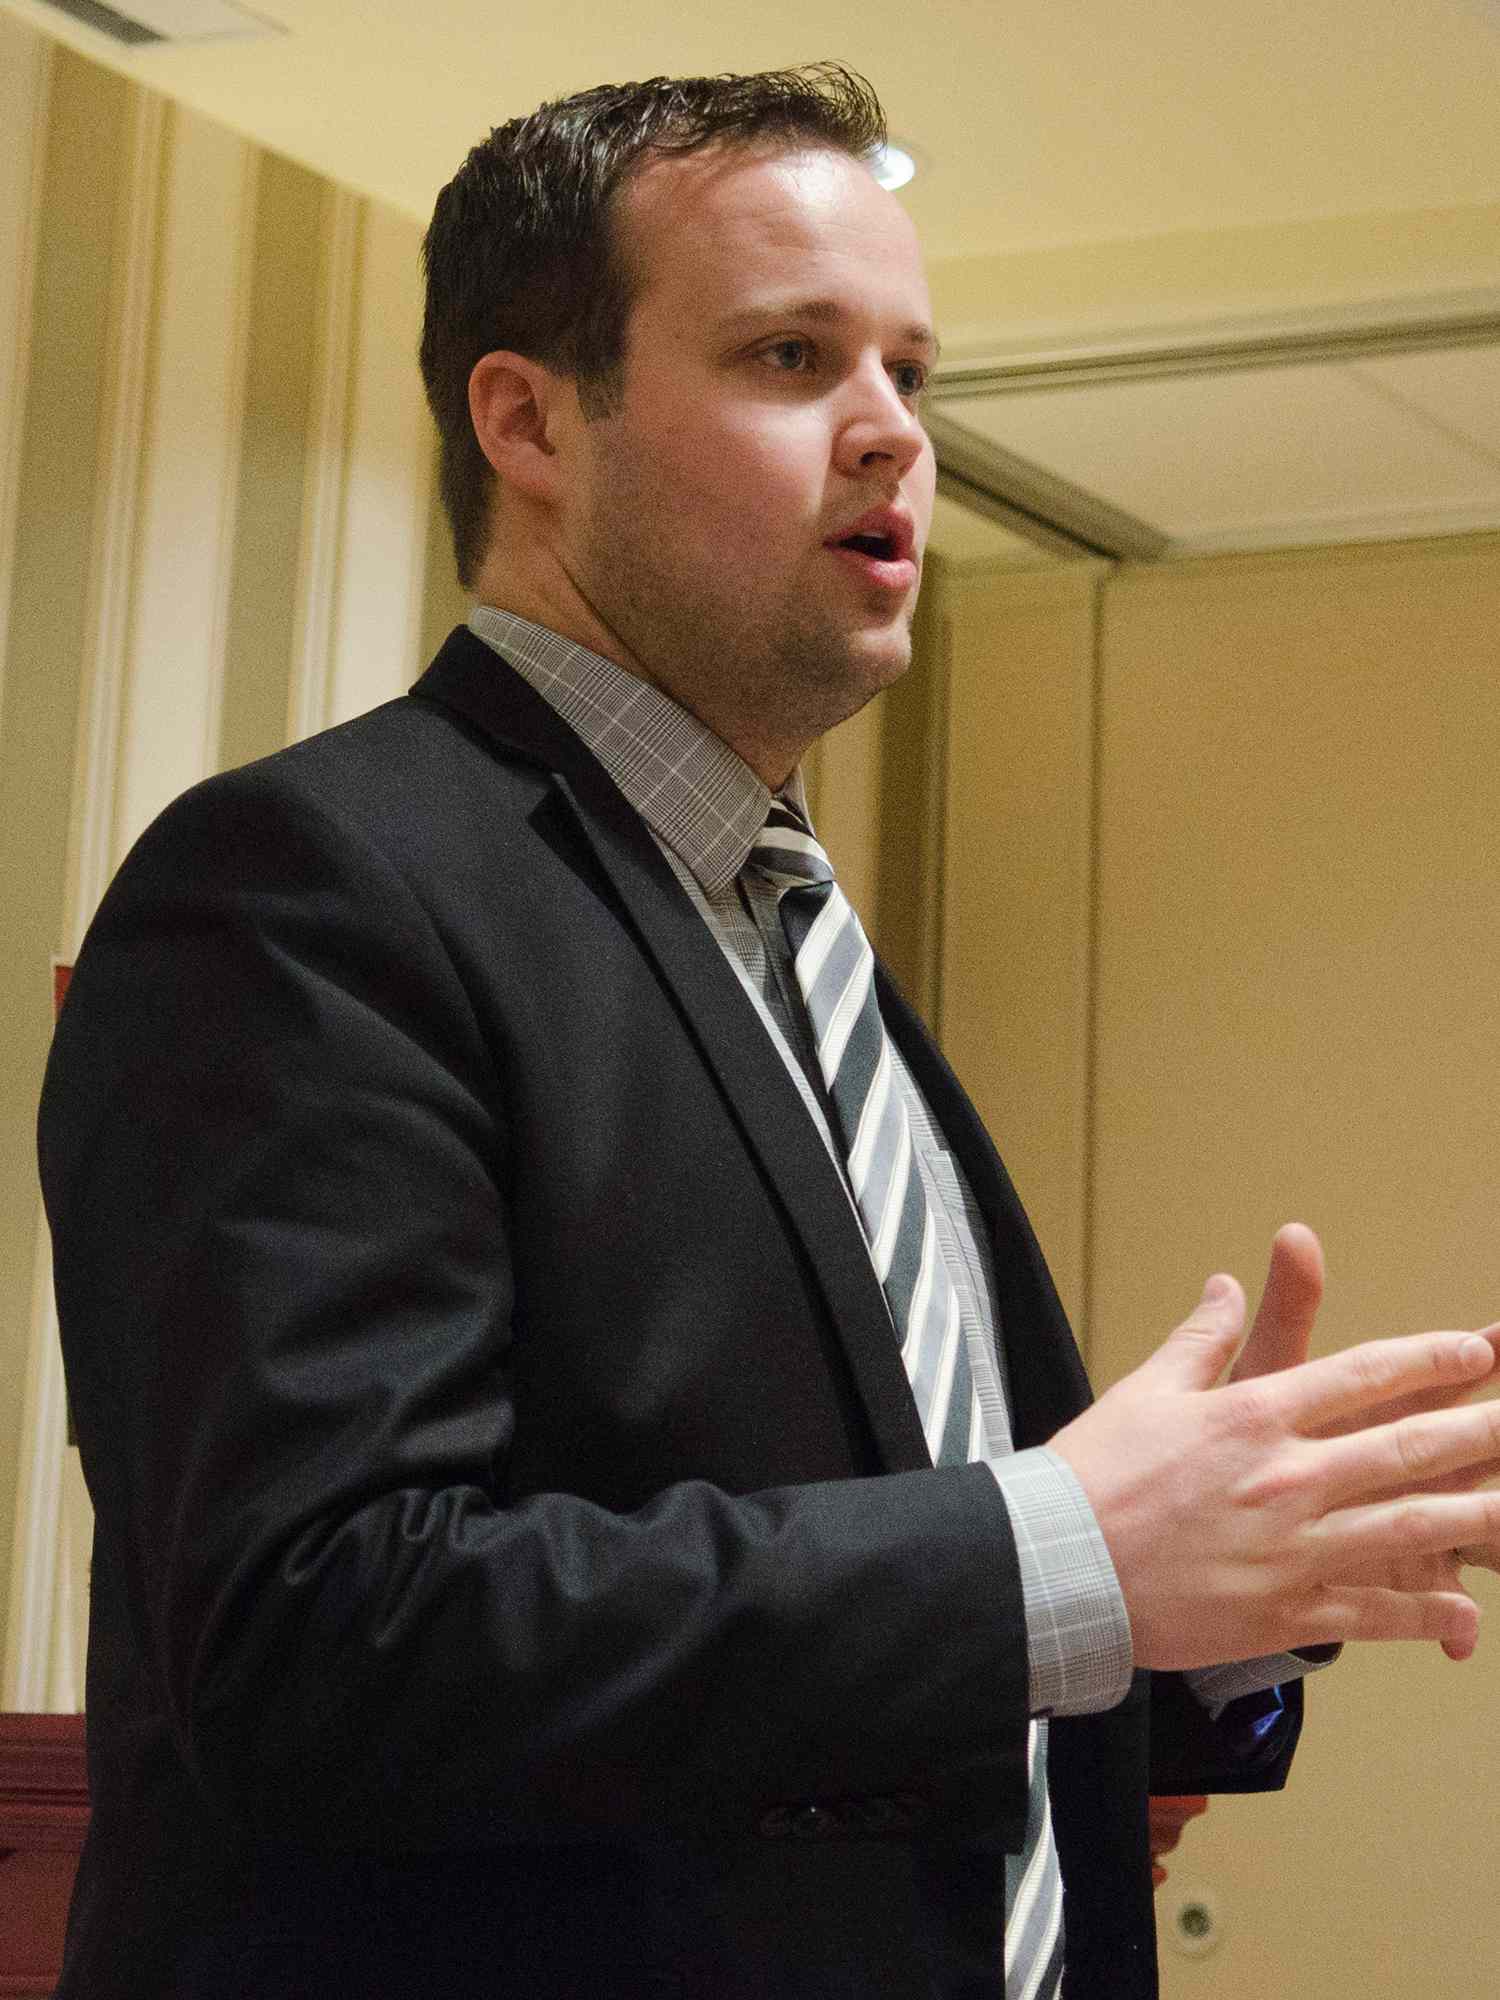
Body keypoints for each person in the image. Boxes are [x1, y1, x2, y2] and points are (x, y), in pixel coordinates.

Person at [37, 62, 1500, 2000]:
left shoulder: (800, 942)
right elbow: (325, 1643)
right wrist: (1055, 1548)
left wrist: (1205, 1590)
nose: (894, 430)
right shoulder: (305, 887)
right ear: (529, 418)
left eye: (911, 365)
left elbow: (908, 1657)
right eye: (794, 356)